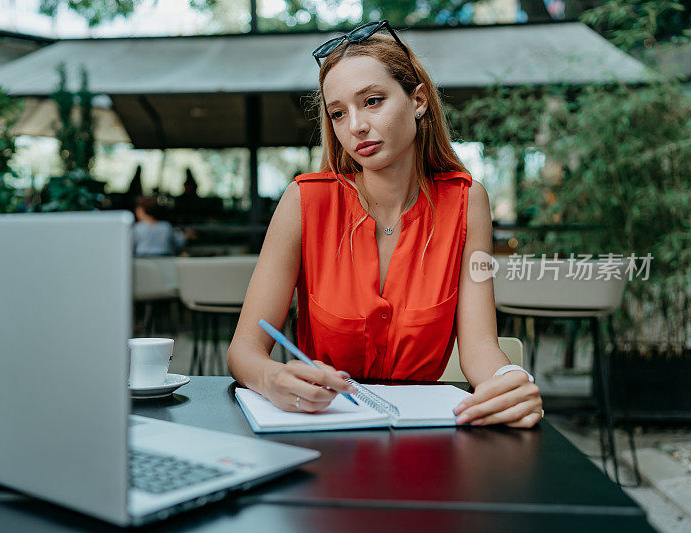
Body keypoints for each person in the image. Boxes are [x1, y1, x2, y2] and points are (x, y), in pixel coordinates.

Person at [227, 20, 543, 428]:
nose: (355, 125)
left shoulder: (467, 201)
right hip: (321, 430)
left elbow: (480, 346)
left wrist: (509, 382)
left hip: (422, 441)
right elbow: (243, 349)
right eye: (338, 113)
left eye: (372, 101)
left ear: (418, 101)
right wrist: (272, 378)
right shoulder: (304, 201)